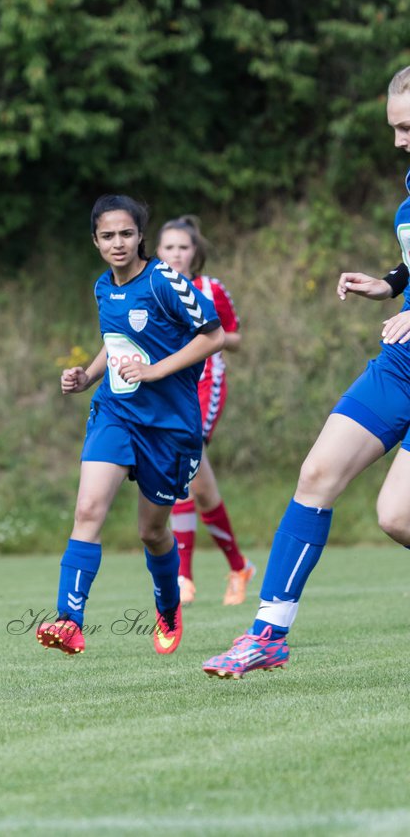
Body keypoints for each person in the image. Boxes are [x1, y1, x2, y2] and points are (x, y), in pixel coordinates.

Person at [202, 67, 410, 679]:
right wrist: (392, 284)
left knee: (397, 515)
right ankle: (268, 634)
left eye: (408, 127)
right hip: (402, 363)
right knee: (317, 471)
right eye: (395, 128)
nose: (399, 140)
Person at [39, 195, 225, 657]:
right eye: (107, 236)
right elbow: (116, 342)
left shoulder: (166, 282)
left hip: (169, 429)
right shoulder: (104, 287)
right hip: (116, 413)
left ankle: (167, 607)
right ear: (96, 241)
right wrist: (87, 374)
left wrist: (159, 370)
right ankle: (69, 621)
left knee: (152, 533)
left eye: (126, 234)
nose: (117, 243)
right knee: (87, 511)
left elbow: (214, 335)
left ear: (142, 236)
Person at [156, 216, 256, 606]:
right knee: (194, 484)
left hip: (204, 386)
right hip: (166, 389)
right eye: (169, 247)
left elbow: (234, 338)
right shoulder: (152, 289)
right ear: (157, 252)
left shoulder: (210, 288)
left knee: (185, 471)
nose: (176, 254)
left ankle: (184, 576)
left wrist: (206, 336)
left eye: (183, 247)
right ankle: (238, 565)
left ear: (195, 252)